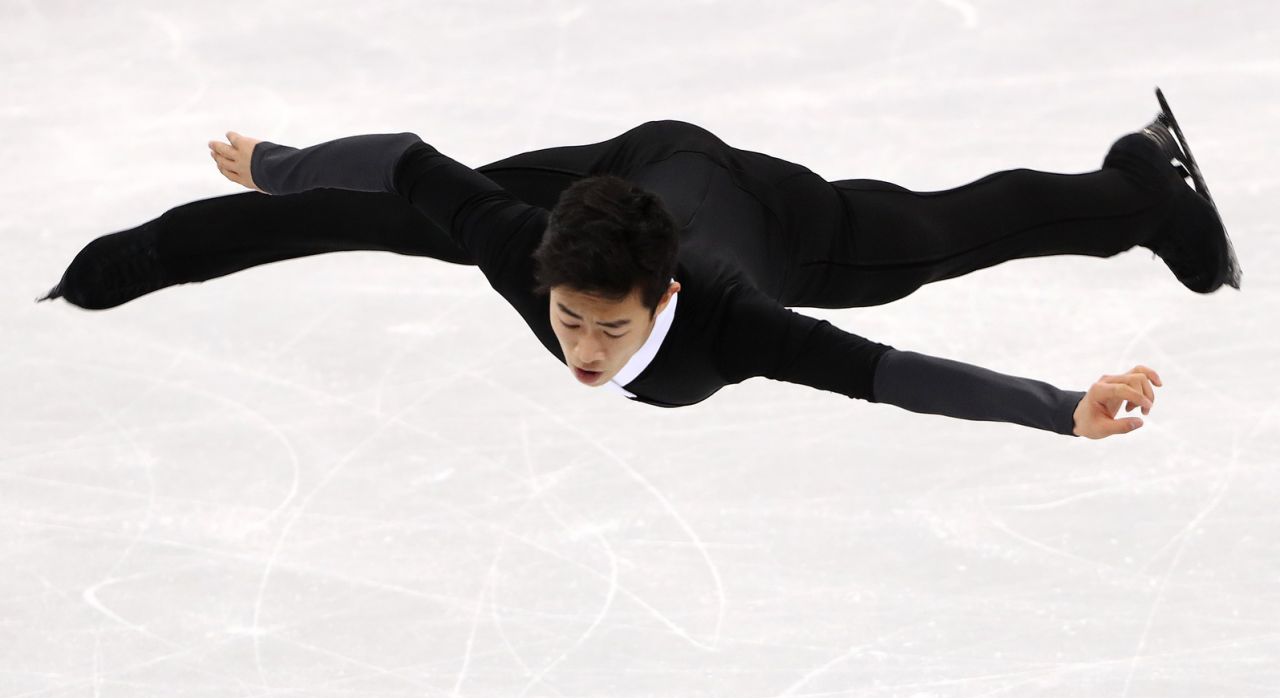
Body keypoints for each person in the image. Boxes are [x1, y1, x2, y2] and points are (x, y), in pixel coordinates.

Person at [39, 89, 1241, 440]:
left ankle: (1138, 189)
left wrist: (1057, 411)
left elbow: (898, 372)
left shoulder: (735, 324)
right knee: (402, 214)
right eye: (571, 323)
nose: (582, 352)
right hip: (608, 175)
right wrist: (281, 162)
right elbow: (409, 162)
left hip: (744, 205)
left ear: (659, 300)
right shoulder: (531, 257)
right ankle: (141, 258)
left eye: (607, 333)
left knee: (921, 244)